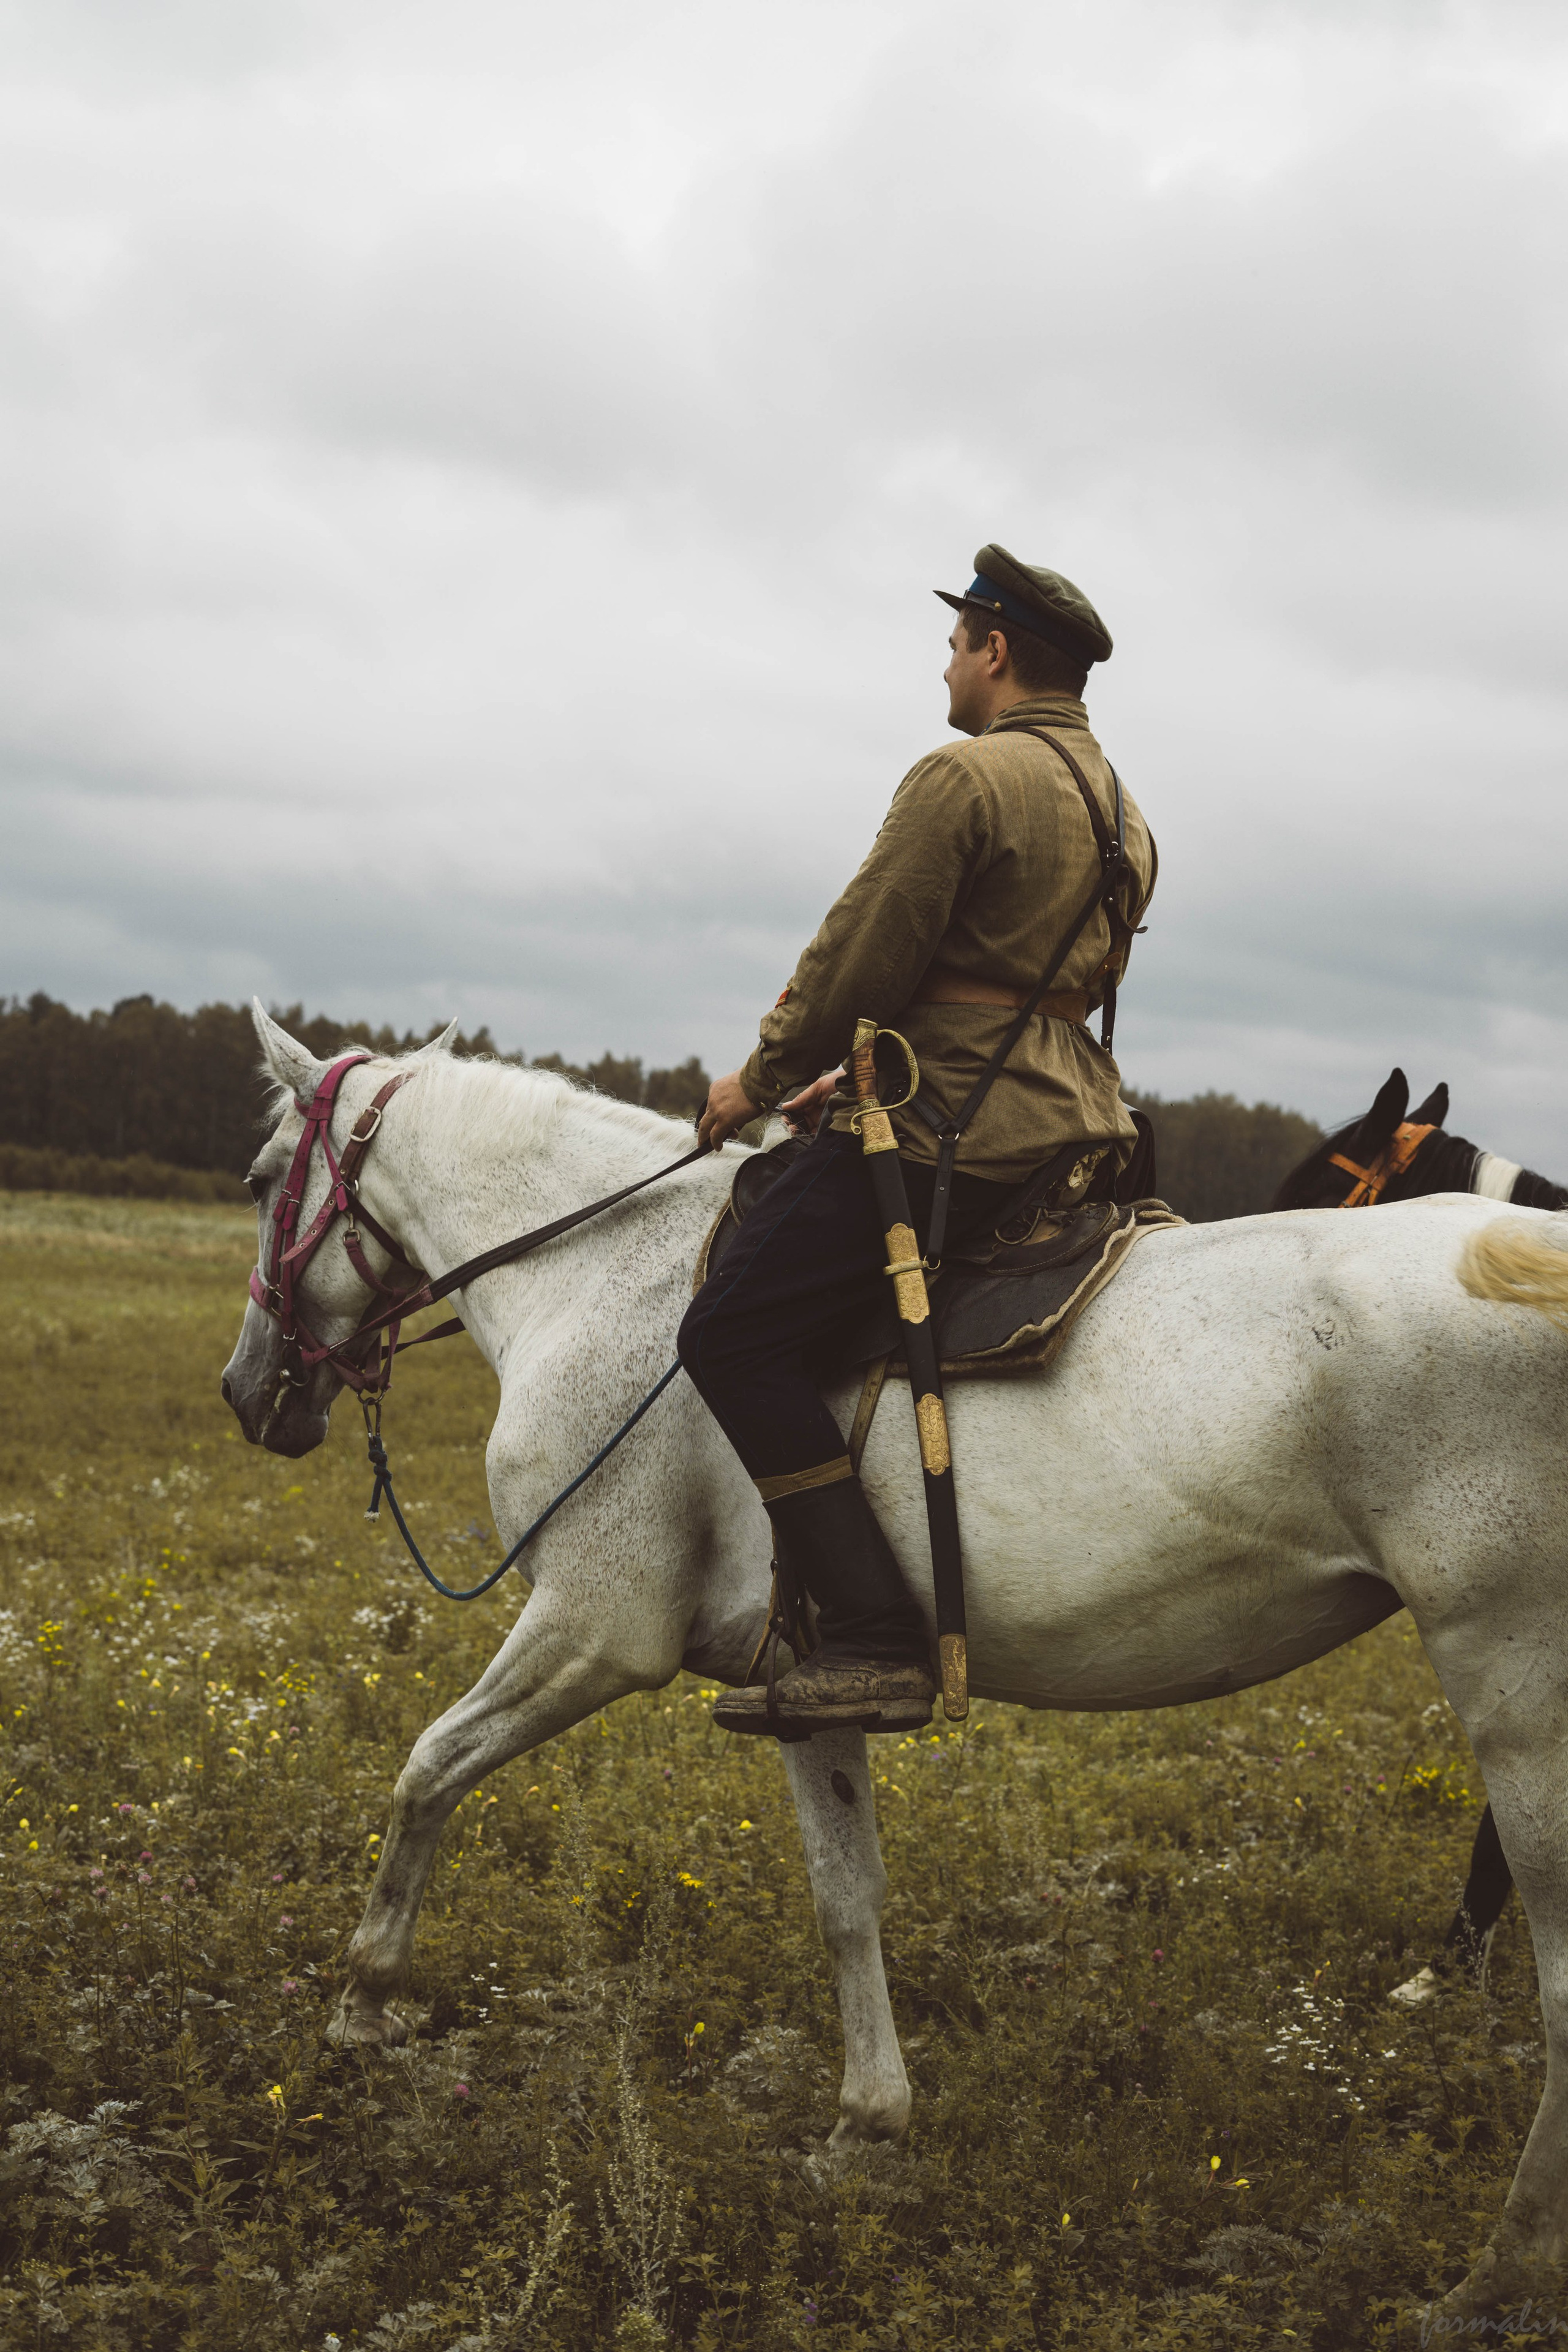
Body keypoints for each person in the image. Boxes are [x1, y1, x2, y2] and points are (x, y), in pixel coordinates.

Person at [677, 544, 1157, 1736]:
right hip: (1076, 1119)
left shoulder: (964, 778)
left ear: (994, 652)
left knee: (727, 1334)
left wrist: (763, 1076)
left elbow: (861, 956)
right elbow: (1018, 980)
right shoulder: (1123, 812)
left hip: (955, 1125)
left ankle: (876, 1631)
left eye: (954, 642)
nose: (944, 663)